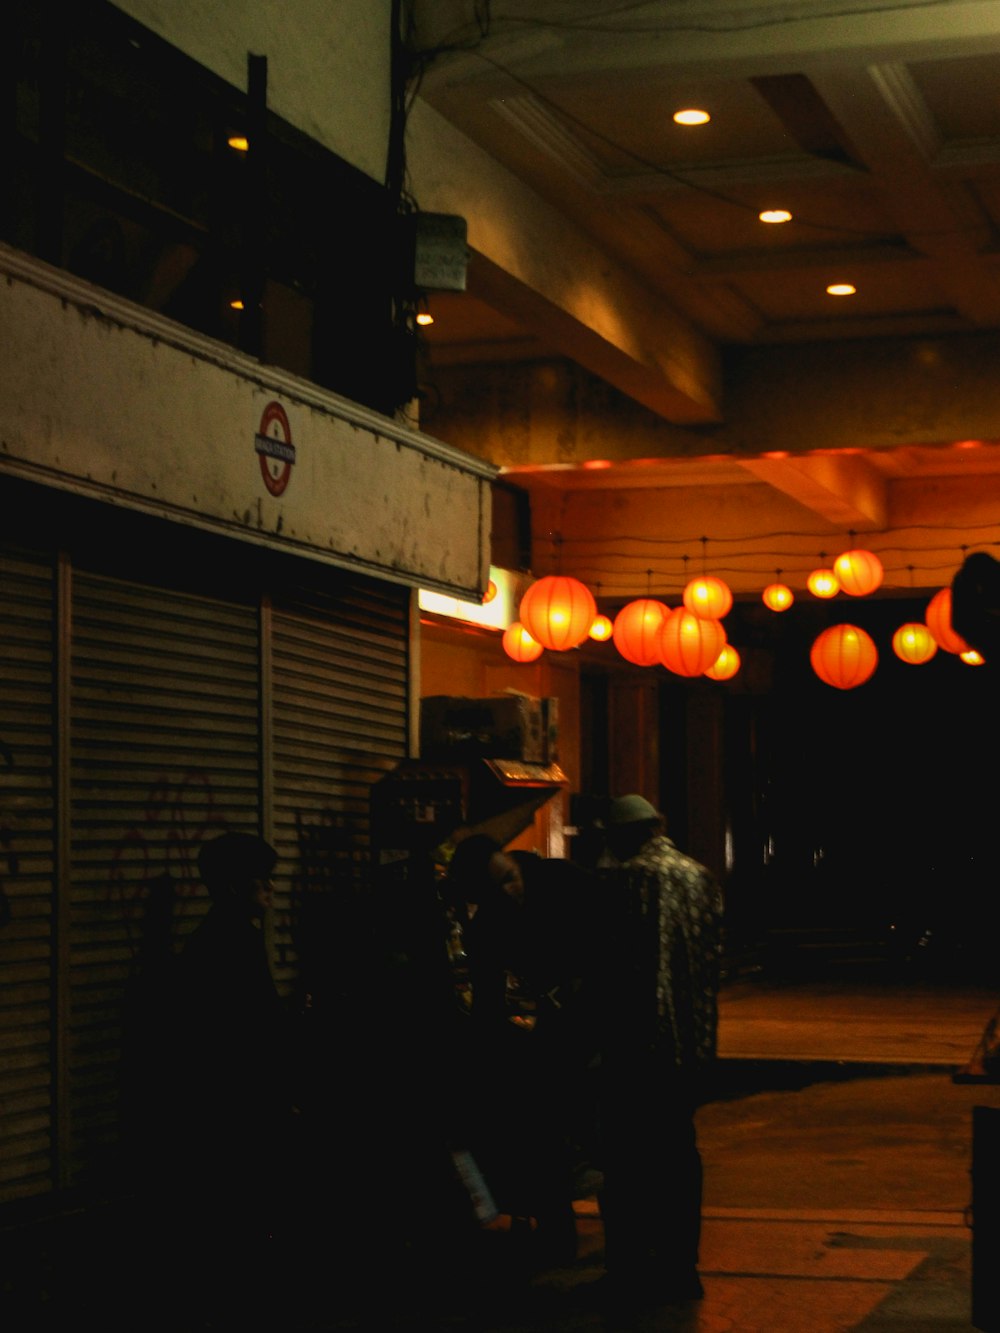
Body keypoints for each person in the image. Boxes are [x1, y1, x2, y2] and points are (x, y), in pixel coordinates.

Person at [159, 831, 303, 1324]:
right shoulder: (230, 943)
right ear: (237, 886)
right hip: (241, 1106)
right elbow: (251, 1030)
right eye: (260, 880)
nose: (269, 888)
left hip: (233, 1104)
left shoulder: (221, 937)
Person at [445, 834, 599, 1270]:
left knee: (604, 1133)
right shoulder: (488, 925)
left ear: (513, 862)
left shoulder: (564, 881)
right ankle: (557, 1231)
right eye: (494, 890)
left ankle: (629, 1235)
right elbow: (489, 997)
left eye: (509, 879)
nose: (509, 892)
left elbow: (613, 941)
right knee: (545, 1131)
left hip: (599, 1013)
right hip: (556, 1024)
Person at [594, 794, 724, 1308]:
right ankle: (680, 1267)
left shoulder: (626, 880)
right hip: (687, 1049)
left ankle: (628, 1267)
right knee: (678, 1159)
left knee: (627, 1164)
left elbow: (612, 969)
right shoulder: (700, 877)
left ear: (626, 836)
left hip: (635, 1049)